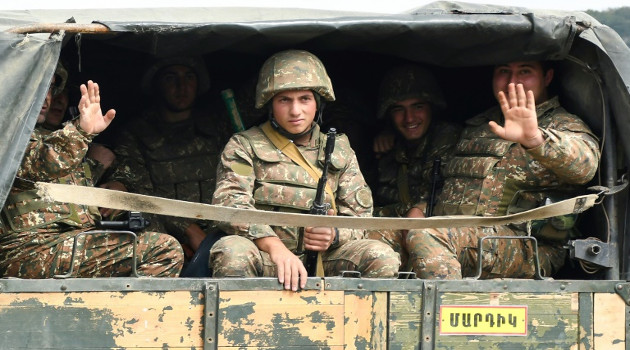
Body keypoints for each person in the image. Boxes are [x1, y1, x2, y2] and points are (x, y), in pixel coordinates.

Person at [210, 49, 400, 290]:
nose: (295, 111)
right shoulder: (243, 146)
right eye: (284, 100)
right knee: (232, 251)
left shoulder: (338, 149)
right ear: (270, 105)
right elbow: (230, 202)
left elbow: (360, 217)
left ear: (317, 102)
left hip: (325, 259)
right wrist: (274, 247)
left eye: (304, 99)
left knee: (380, 256)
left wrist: (334, 235)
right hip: (266, 255)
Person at [407, 61, 601, 279]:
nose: (512, 81)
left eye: (525, 71)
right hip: (457, 233)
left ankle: (445, 310)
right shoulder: (479, 125)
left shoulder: (563, 124)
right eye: (504, 72)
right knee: (373, 240)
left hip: (525, 246)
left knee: (429, 235)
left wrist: (535, 140)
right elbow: (452, 181)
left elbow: (586, 168)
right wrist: (422, 208)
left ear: (547, 77)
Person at [0, 63, 183, 278]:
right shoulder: (7, 135)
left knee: (149, 235)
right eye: (38, 85)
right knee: (163, 250)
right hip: (30, 251)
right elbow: (46, 163)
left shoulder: (47, 137)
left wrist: (115, 185)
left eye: (49, 87)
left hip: (65, 244)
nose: (47, 96)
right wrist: (81, 131)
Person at [102, 56, 230, 274]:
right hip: (164, 240)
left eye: (189, 77)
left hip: (221, 235)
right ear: (157, 85)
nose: (182, 86)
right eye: (171, 78)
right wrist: (186, 231)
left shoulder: (218, 126)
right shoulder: (136, 134)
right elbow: (139, 192)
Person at [366, 65, 461, 269]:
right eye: (398, 109)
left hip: (436, 245)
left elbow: (447, 193)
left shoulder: (447, 139)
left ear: (432, 107)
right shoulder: (389, 148)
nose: (409, 118)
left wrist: (421, 208)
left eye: (418, 106)